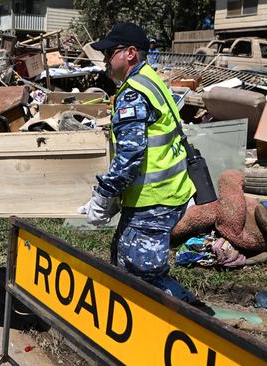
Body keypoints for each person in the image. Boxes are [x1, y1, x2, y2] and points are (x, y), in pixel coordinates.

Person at [78, 23, 197, 303]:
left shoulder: (134, 92)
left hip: (154, 201)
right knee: (124, 260)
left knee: (140, 274)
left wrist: (103, 196)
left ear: (130, 53)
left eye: (110, 53)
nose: (106, 60)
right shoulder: (150, 80)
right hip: (162, 194)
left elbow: (131, 155)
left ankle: (187, 321)